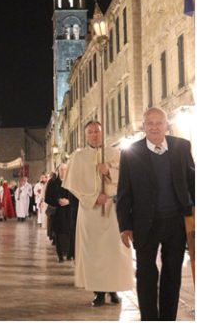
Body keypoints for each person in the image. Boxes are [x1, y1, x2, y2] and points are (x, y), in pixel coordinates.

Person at [117, 107, 195, 321]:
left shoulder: (181, 147)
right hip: (144, 223)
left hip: (175, 221)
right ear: (143, 126)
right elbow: (124, 192)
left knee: (172, 274)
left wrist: (192, 210)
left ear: (166, 125)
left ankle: (168, 318)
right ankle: (149, 318)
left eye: (158, 123)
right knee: (145, 274)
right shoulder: (131, 152)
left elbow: (192, 181)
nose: (154, 127)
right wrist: (125, 225)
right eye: (149, 123)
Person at [64, 121, 133, 306]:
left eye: (97, 131)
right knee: (94, 253)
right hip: (90, 211)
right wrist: (94, 198)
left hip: (112, 209)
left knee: (114, 251)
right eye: (91, 132)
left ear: (102, 133)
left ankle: (114, 290)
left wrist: (109, 171)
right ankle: (99, 292)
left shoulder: (115, 153)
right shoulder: (78, 157)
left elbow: (127, 178)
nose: (94, 135)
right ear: (86, 135)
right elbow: (74, 186)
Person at [45, 163, 78, 262]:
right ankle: (60, 255)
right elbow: (47, 198)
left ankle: (70, 254)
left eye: (65, 169)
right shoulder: (52, 182)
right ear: (58, 171)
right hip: (58, 212)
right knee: (59, 233)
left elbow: (77, 197)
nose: (63, 171)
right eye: (61, 169)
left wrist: (69, 201)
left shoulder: (72, 182)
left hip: (70, 212)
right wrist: (58, 201)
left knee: (70, 232)